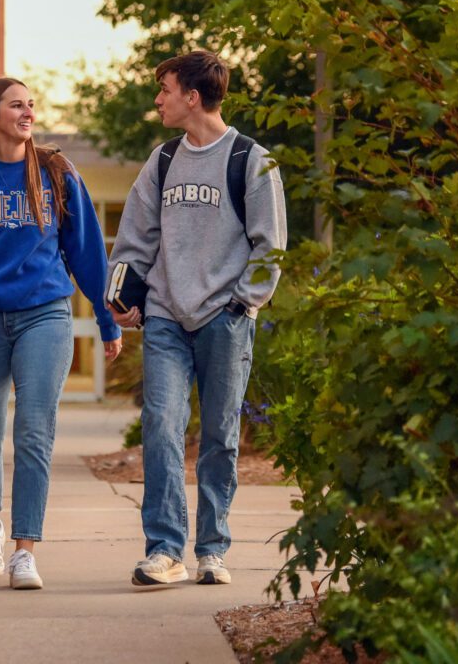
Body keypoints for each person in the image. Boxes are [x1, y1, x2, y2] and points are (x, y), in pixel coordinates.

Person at [0, 77, 123, 590]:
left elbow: (87, 254)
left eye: (31, 104)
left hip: (45, 313)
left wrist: (106, 319)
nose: (28, 111)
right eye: (16, 104)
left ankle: (24, 549)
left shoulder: (57, 173)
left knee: (34, 430)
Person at [108, 51, 286, 587]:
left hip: (224, 319)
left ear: (192, 96)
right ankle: (164, 549)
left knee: (219, 436)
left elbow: (269, 246)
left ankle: (212, 548)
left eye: (164, 90)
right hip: (165, 315)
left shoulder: (251, 160)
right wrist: (122, 298)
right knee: (161, 427)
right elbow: (133, 242)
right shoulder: (162, 161)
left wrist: (242, 303)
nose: (157, 100)